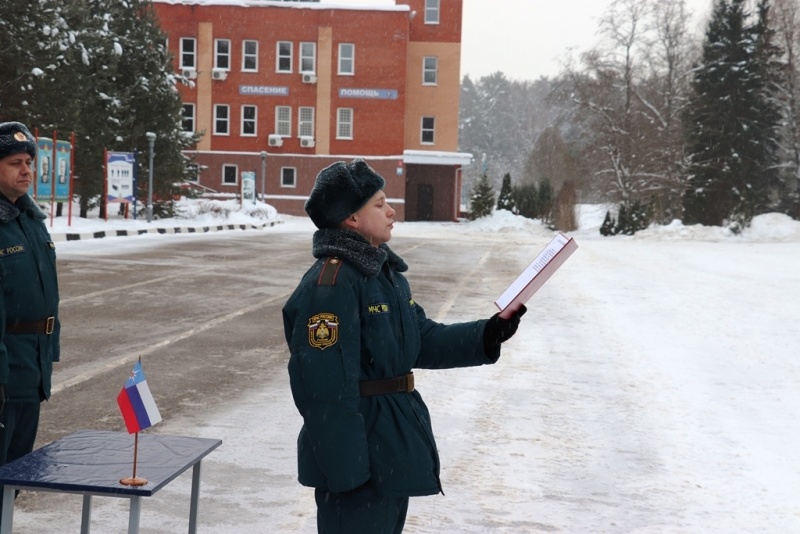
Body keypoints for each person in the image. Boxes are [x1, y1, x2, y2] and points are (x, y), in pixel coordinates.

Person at [282, 159, 526, 533]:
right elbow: (323, 390)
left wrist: (487, 334)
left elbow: (420, 339)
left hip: (387, 448)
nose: (392, 211)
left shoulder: (383, 276)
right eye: (379, 204)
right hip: (359, 459)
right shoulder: (332, 285)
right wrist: (349, 473)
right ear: (351, 219)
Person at [0, 122, 61, 517]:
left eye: (29, 162)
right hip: (5, 374)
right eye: (14, 163)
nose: (26, 170)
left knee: (14, 479)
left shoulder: (30, 220)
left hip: (30, 372)